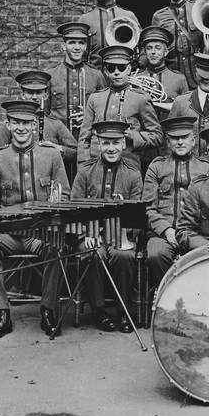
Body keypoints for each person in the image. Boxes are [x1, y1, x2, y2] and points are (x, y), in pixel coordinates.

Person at [0, 100, 70, 340]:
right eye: (15, 122)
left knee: (58, 248)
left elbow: (65, 195)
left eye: (26, 122)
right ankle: (0, 314)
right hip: (8, 236)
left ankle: (49, 310)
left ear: (35, 125)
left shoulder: (51, 156)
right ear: (8, 124)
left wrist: (53, 218)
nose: (20, 128)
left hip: (40, 235)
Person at [71, 120, 143, 333]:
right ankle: (99, 310)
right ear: (98, 144)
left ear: (123, 144)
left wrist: (128, 235)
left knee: (125, 256)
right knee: (93, 254)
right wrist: (85, 235)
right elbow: (73, 210)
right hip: (93, 237)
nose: (111, 148)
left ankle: (123, 311)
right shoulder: (85, 172)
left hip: (121, 236)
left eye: (116, 142)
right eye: (106, 143)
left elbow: (138, 217)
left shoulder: (133, 174)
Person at [142, 116, 209, 286]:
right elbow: (148, 207)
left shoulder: (207, 168)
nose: (180, 142)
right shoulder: (156, 167)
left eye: (184, 137)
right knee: (156, 254)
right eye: (175, 138)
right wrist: (166, 230)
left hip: (197, 233)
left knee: (208, 254)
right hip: (164, 234)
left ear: (193, 140)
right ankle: (170, 296)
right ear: (167, 142)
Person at [77, 45, 163, 172]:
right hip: (96, 168)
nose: (116, 72)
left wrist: (134, 136)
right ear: (106, 71)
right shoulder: (95, 98)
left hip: (128, 168)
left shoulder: (140, 98)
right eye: (112, 68)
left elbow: (157, 136)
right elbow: (84, 138)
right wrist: (84, 167)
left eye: (121, 68)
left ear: (128, 69)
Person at [0, 70, 78, 184]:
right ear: (22, 94)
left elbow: (76, 152)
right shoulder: (8, 125)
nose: (34, 97)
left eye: (38, 92)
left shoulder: (55, 124)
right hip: (17, 183)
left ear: (46, 95)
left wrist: (59, 149)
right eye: (29, 92)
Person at [135, 26, 190, 168]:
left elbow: (186, 112)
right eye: (149, 48)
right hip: (143, 146)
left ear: (166, 51)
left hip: (169, 143)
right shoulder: (136, 78)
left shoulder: (178, 78)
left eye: (158, 48)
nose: (153, 52)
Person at [46, 22, 107, 138]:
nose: (77, 47)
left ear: (85, 46)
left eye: (81, 43)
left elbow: (105, 111)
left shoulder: (96, 75)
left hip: (88, 139)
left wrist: (90, 117)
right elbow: (44, 114)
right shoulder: (50, 75)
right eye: (72, 43)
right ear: (64, 46)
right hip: (58, 141)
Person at [78, 0, 141, 68]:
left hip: (122, 75)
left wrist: (138, 64)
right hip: (96, 76)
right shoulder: (86, 19)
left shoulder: (128, 16)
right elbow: (81, 54)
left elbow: (142, 46)